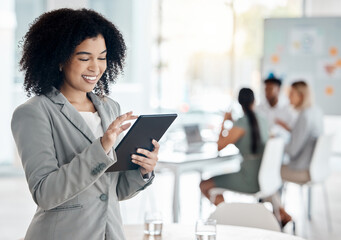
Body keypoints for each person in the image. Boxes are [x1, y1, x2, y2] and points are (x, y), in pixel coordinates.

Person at [11, 9, 159, 240]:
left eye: (101, 57)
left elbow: (113, 190)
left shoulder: (110, 108)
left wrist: (142, 170)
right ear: (59, 59)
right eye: (84, 58)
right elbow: (45, 193)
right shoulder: (33, 113)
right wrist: (101, 148)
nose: (95, 67)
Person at [200, 88, 268, 206]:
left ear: (239, 103)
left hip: (249, 179)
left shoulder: (242, 123)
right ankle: (226, 213)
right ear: (254, 101)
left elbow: (220, 145)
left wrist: (224, 121)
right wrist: (233, 121)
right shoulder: (262, 119)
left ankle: (226, 216)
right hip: (264, 177)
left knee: (204, 185)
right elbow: (246, 129)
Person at [272, 80, 323, 226]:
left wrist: (276, 143)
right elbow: (304, 137)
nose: (288, 98)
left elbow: (293, 151)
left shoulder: (304, 116)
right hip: (316, 168)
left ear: (301, 96)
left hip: (302, 169)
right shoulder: (316, 112)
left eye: (291, 94)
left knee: (269, 171)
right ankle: (278, 209)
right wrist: (289, 130)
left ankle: (279, 213)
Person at [256, 74, 297, 141]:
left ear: (278, 90)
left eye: (270, 89)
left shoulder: (287, 110)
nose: (267, 92)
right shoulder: (259, 108)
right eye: (266, 89)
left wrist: (284, 126)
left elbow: (294, 131)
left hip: (281, 146)